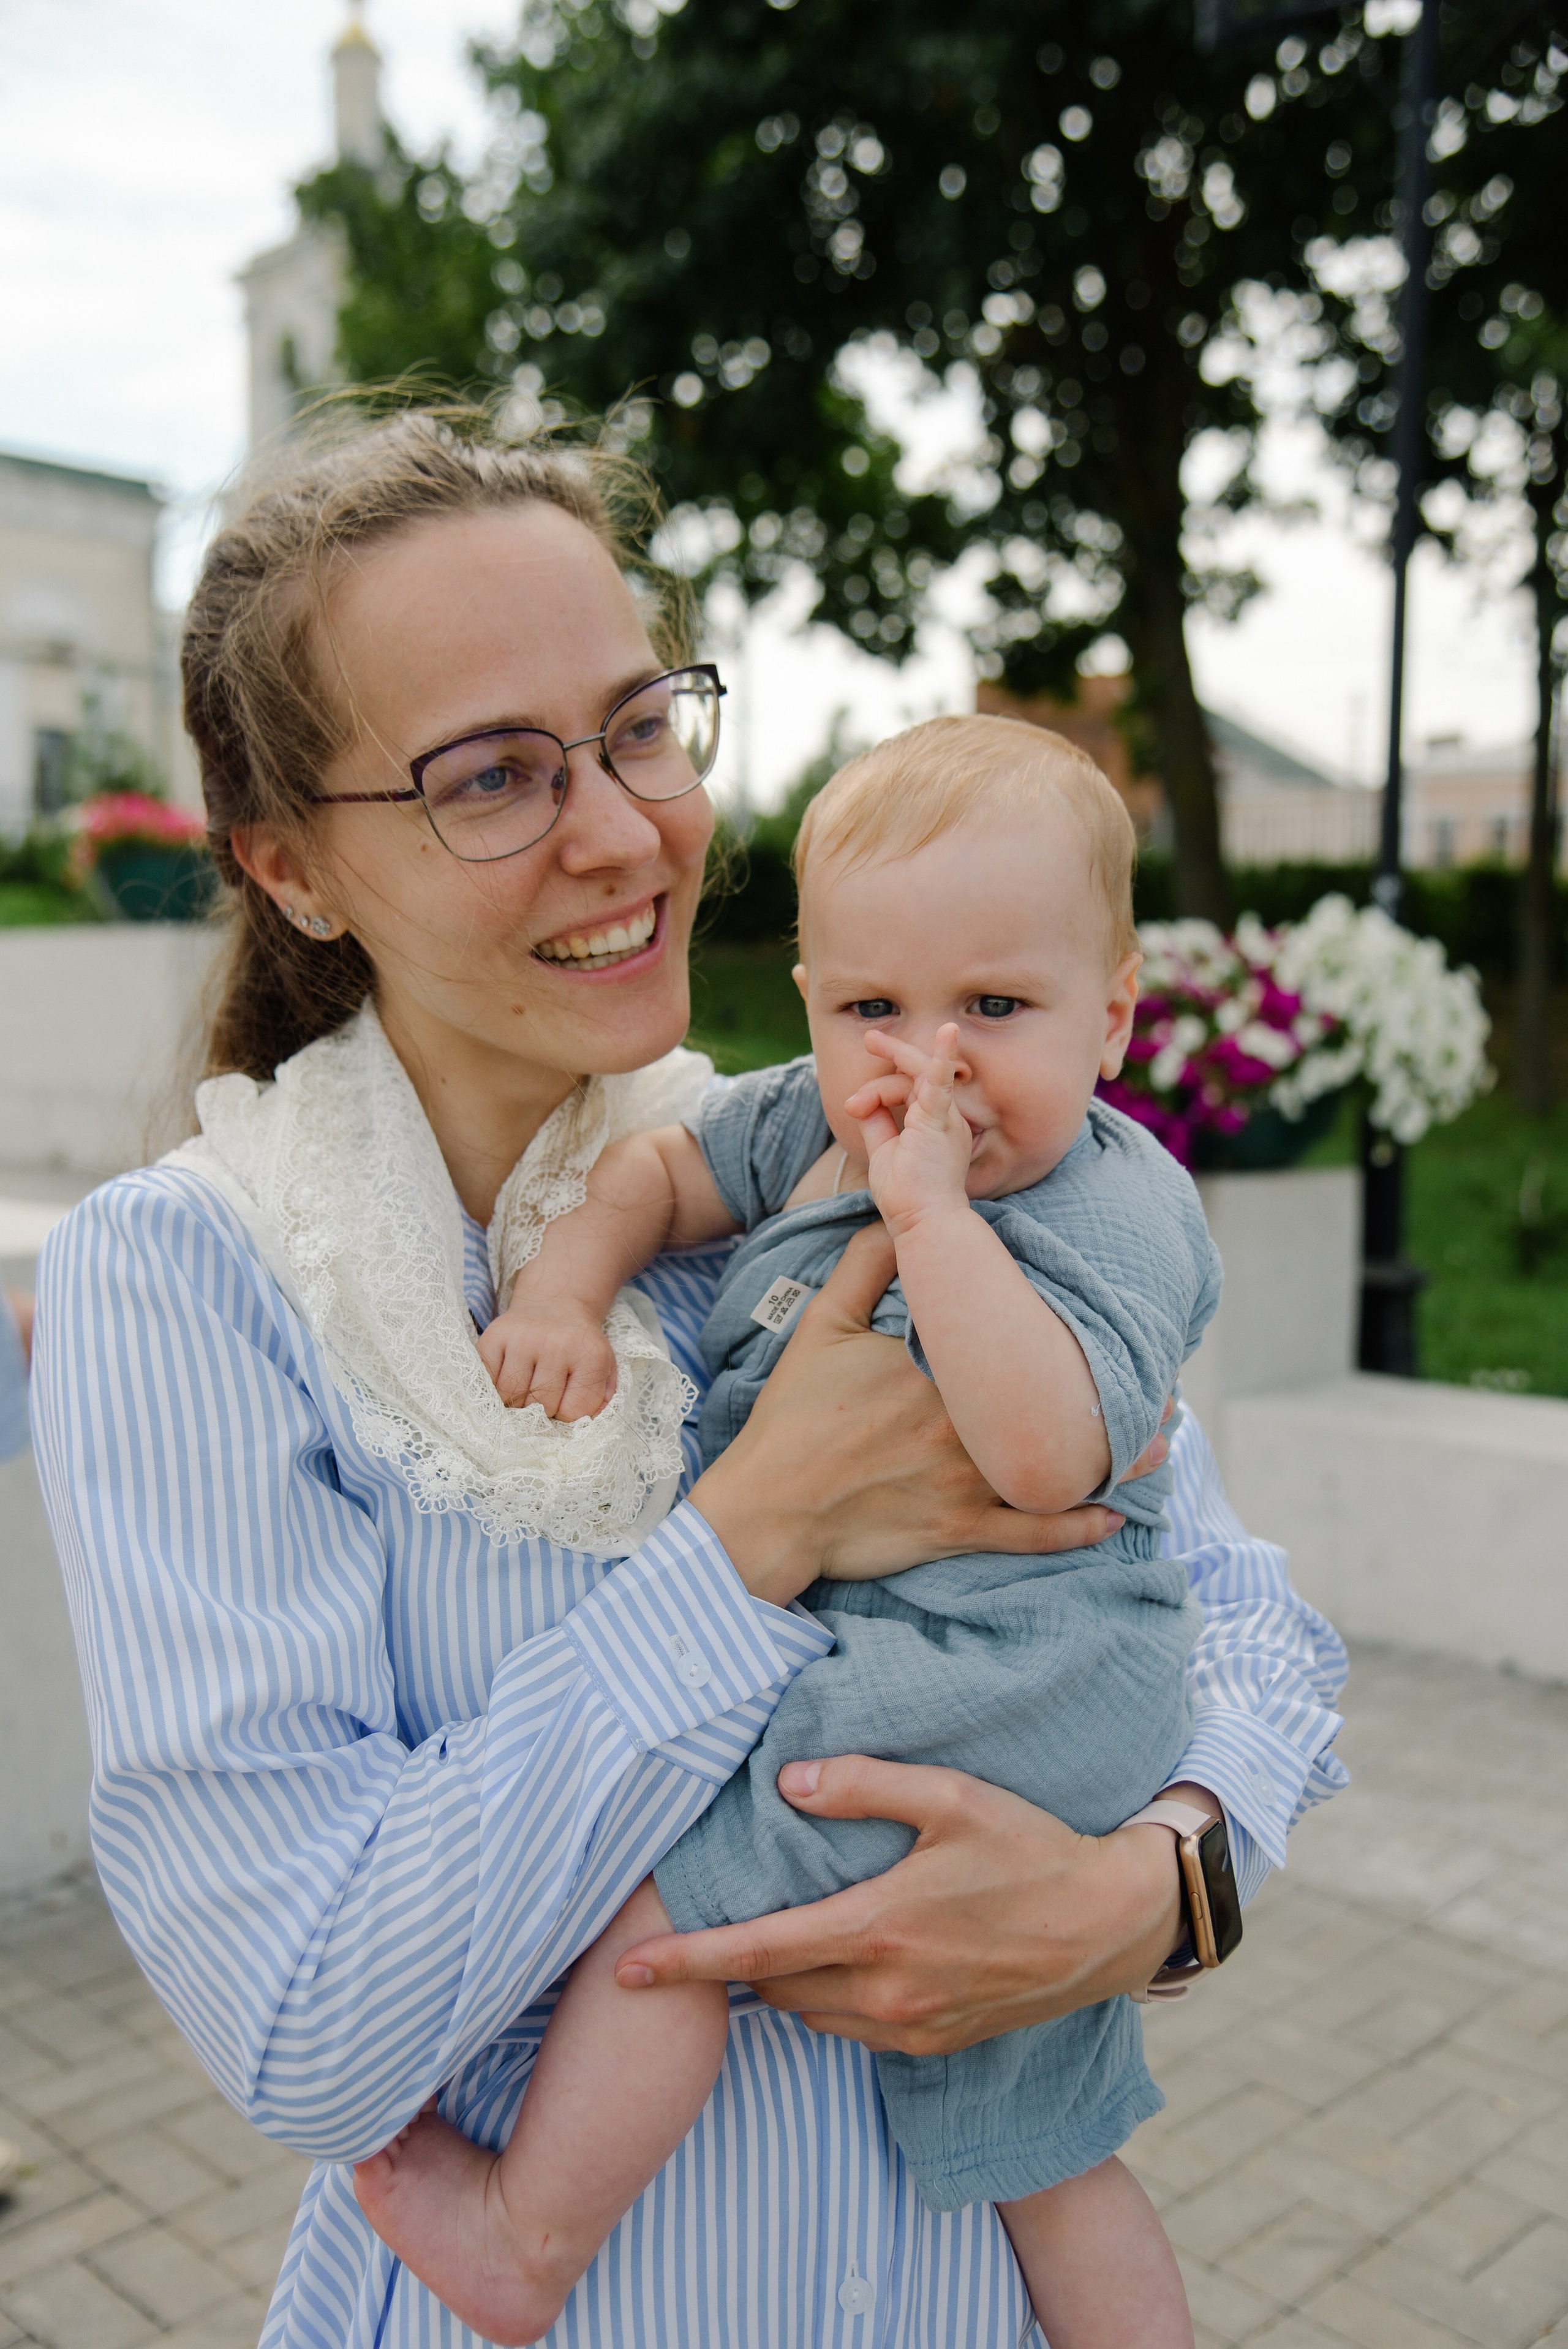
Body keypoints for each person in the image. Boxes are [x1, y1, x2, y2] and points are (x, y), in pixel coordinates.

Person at [31, 410, 1348, 2349]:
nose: (624, 828)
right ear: (291, 865)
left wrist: (1148, 1894)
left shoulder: (836, 1151)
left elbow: (1247, 1617)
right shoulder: (196, 1278)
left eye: (641, 725)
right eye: (493, 774)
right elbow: (302, 2023)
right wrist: (751, 1534)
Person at [359, 714, 1222, 2347]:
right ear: (813, 1000)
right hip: (952, 1667)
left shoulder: (1115, 1201)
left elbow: (1047, 1459)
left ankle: (531, 2236)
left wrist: (931, 1221)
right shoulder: (808, 1126)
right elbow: (661, 1170)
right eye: (873, 1009)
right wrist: (563, 1280)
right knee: (1045, 2144)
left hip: (1010, 1671)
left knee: (671, 1909)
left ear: (1113, 1011)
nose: (929, 1064)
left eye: (998, 1007)